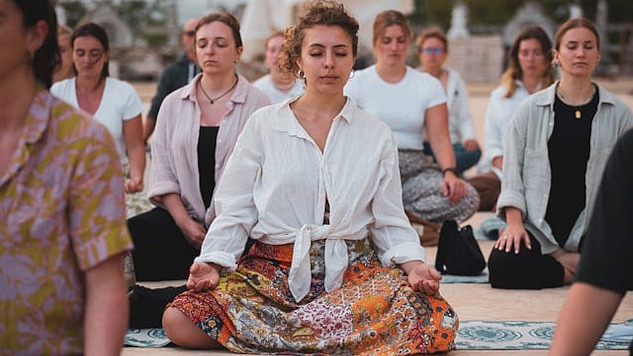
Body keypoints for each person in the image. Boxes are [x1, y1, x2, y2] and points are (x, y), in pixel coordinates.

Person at [161, 1, 458, 353]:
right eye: (317, 52)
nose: (329, 63)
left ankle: (289, 336)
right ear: (299, 59)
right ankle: (325, 336)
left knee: (436, 318)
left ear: (352, 61)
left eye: (340, 53)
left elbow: (389, 219)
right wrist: (213, 261)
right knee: (180, 318)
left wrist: (414, 265)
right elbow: (236, 207)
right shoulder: (265, 124)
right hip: (272, 269)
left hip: (352, 272)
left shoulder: (375, 133)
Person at [0, 0, 131, 354]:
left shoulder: (82, 143)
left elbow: (105, 284)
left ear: (35, 34)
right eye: (80, 52)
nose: (86, 60)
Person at [489, 18, 633, 290]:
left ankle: (576, 266)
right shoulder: (529, 110)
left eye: (588, 46)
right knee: (502, 266)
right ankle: (580, 270)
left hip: (595, 227)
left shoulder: (620, 114)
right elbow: (511, 177)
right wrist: (514, 224)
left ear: (598, 55)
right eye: (572, 46)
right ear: (556, 55)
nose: (580, 53)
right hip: (539, 228)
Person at [127, 12, 270, 282]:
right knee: (123, 237)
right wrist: (184, 222)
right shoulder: (172, 104)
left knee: (264, 256)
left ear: (238, 51)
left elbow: (264, 177)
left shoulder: (259, 104)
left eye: (220, 43)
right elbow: (163, 172)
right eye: (202, 43)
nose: (210, 51)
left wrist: (224, 225)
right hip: (181, 222)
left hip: (239, 225)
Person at [345, 10, 479, 224]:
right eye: (387, 40)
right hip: (372, 172)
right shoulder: (357, 82)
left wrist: (450, 173)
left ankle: (392, 218)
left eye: (400, 40)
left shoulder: (427, 85)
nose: (394, 47)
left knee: (467, 197)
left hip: (413, 173)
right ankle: (407, 223)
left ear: (409, 42)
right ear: (376, 42)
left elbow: (440, 139)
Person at [549, 128, 633, 355]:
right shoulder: (630, 150)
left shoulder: (617, 114)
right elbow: (599, 284)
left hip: (585, 232)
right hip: (544, 233)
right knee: (506, 261)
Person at [51, 23, 146, 196]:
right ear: (72, 54)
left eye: (94, 53)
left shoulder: (124, 93)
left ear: (106, 55)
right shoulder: (56, 92)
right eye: (80, 53)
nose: (87, 60)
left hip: (113, 183)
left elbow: (135, 146)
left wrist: (136, 177)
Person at [467, 26, 555, 212]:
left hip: (545, 177)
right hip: (504, 174)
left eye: (537, 53)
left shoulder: (557, 94)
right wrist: (514, 174)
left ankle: (508, 203)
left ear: (548, 56)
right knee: (463, 193)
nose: (530, 58)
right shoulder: (500, 96)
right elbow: (493, 147)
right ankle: (507, 201)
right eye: (525, 53)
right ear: (516, 57)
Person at [416, 27, 481, 175]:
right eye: (428, 50)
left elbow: (464, 114)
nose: (433, 55)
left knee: (474, 152)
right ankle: (444, 168)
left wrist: (469, 137)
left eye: (437, 50)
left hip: (449, 142)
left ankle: (434, 167)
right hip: (421, 143)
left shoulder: (455, 80)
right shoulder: (412, 79)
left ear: (445, 54)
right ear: (420, 53)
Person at [144, 18, 201, 142]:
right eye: (191, 33)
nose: (196, 37)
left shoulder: (217, 71)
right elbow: (157, 105)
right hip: (176, 137)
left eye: (200, 32)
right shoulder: (171, 72)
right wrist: (143, 139)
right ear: (183, 38)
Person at [253, 30, 305, 104]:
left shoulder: (307, 88)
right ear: (266, 58)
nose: (277, 55)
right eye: (272, 50)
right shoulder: (256, 91)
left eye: (283, 50)